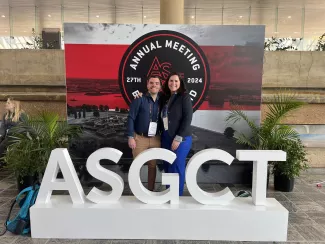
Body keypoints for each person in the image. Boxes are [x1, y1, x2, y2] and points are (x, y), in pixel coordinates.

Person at [160, 72, 193, 196]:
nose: (173, 83)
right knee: (168, 165)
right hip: (166, 137)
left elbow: (187, 118)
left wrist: (178, 138)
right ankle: (169, 193)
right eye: (171, 81)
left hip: (181, 138)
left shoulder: (184, 97)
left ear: (180, 84)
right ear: (167, 83)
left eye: (176, 81)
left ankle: (176, 195)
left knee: (177, 165)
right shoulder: (165, 97)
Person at [127, 76, 162, 191]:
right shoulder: (139, 99)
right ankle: (136, 190)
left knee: (152, 166)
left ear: (160, 86)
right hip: (139, 138)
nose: (154, 85)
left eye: (157, 83)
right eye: (151, 83)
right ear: (147, 85)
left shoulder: (162, 101)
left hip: (156, 138)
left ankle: (150, 190)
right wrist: (131, 136)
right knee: (136, 165)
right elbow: (131, 118)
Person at [0, 98, 24, 166]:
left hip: (16, 136)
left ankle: (2, 162)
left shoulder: (21, 115)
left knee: (2, 146)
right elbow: (3, 127)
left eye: (8, 103)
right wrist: (1, 135)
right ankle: (2, 161)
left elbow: (24, 127)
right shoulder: (5, 115)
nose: (6, 104)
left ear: (14, 105)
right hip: (7, 135)